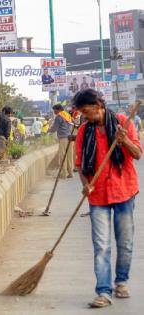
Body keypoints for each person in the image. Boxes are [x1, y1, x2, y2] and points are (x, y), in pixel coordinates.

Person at [72, 89, 142, 308]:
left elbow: (138, 153)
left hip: (124, 190)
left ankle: (121, 282)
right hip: (98, 195)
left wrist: (124, 141)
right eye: (82, 112)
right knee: (101, 245)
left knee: (125, 242)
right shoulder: (85, 130)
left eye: (86, 110)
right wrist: (86, 185)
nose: (84, 115)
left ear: (99, 104)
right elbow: (80, 164)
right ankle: (103, 291)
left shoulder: (123, 122)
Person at [47, 104, 74, 183]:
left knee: (62, 156)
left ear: (58, 109)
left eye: (54, 110)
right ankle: (70, 173)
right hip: (70, 137)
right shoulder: (67, 115)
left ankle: (63, 174)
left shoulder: (59, 117)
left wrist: (48, 130)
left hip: (63, 138)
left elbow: (54, 128)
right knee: (69, 155)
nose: (54, 112)